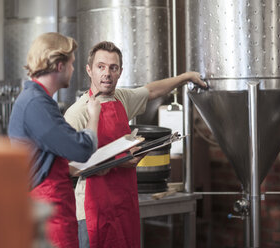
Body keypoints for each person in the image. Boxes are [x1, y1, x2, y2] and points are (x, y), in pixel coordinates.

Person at [64, 41, 206, 248]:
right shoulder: (77, 113)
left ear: (120, 71)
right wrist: (120, 161)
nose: (107, 74)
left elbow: (152, 91)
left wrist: (185, 77)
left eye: (113, 68)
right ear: (89, 70)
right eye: (101, 67)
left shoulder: (121, 98)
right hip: (92, 210)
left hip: (124, 204)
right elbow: (70, 167)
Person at [8, 32, 101, 248]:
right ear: (59, 65)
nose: (72, 70)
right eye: (71, 64)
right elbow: (82, 148)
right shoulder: (35, 104)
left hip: (53, 205)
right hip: (48, 210)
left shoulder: (40, 101)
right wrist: (93, 115)